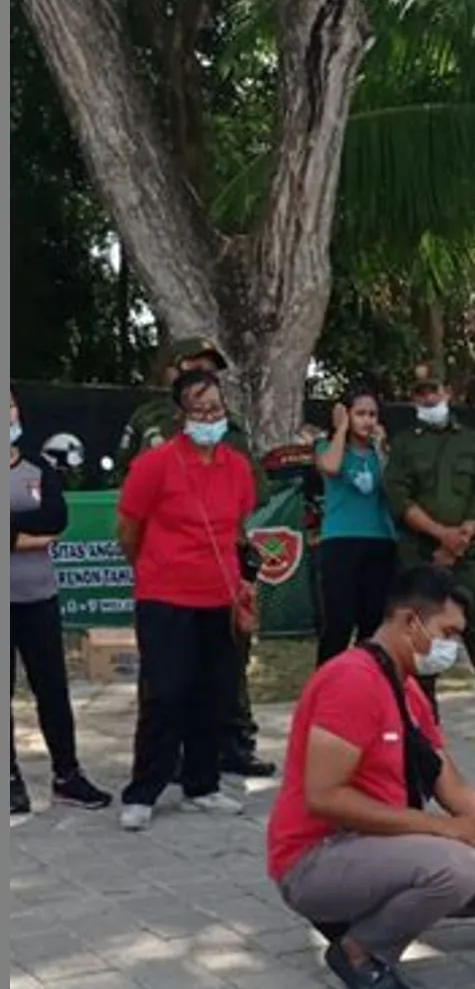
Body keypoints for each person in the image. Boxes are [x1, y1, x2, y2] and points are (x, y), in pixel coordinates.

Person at [266, 566, 475, 989]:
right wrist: (438, 830)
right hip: (313, 860)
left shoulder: (409, 692)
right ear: (410, 622)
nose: (453, 647)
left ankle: (363, 912)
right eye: (448, 632)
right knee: (456, 868)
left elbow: (455, 790)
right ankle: (359, 950)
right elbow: (324, 796)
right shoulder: (351, 681)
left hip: (369, 847)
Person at [118, 333, 273, 779]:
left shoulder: (234, 435)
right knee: (165, 681)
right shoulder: (150, 424)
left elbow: (249, 498)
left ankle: (230, 748)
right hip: (165, 572)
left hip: (222, 568)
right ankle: (160, 766)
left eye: (211, 366)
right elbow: (131, 513)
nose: (204, 373)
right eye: (194, 364)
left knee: (225, 669)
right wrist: (148, 560)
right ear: (173, 370)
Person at [382, 371, 475, 730]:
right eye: (420, 393)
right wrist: (440, 535)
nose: (428, 398)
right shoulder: (404, 445)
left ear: (448, 391)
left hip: (465, 553)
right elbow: (398, 496)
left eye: (434, 390)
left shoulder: (473, 443)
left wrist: (461, 537)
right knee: (420, 629)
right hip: (419, 553)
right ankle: (424, 708)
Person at [10, 391, 112, 816]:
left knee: (52, 689)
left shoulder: (39, 467)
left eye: (10, 405)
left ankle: (67, 774)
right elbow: (37, 526)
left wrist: (12, 534)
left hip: (39, 598)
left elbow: (55, 519)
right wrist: (22, 536)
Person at [313, 380, 398, 663]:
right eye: (360, 413)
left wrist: (382, 449)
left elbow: (395, 489)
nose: (367, 420)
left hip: (380, 539)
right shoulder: (328, 445)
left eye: (372, 414)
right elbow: (331, 466)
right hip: (341, 540)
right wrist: (340, 430)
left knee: (373, 621)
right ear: (347, 414)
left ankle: (367, 682)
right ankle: (326, 685)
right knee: (339, 620)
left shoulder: (382, 451)